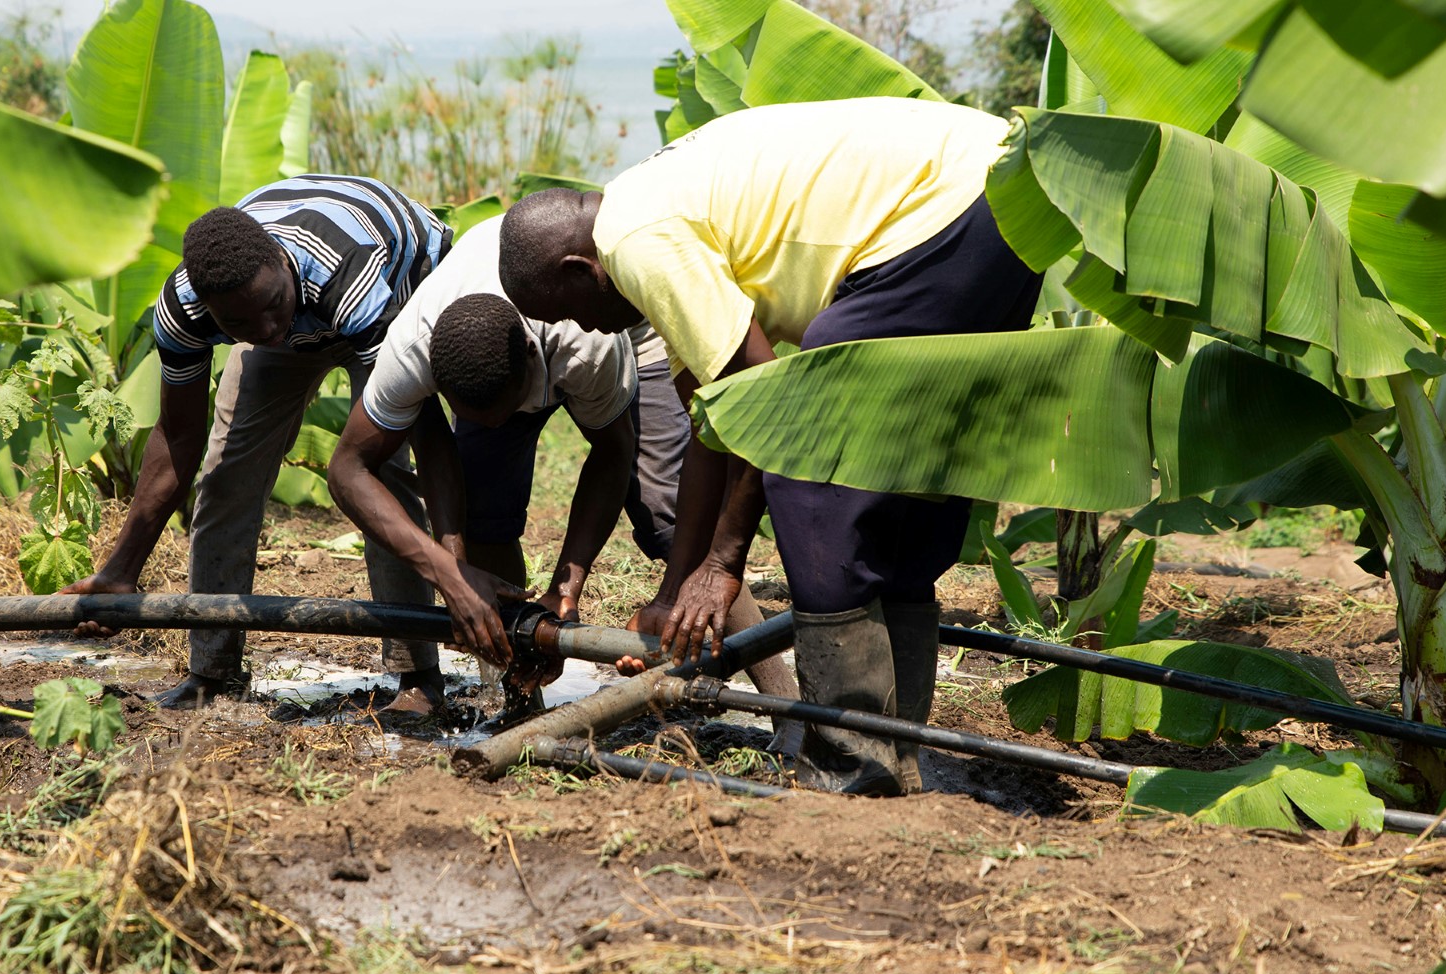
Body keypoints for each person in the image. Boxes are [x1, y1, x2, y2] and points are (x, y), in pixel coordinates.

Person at [498, 97, 1043, 796]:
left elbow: (773, 406)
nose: (593, 330)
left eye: (571, 311)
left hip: (949, 205)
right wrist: (674, 589)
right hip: (999, 190)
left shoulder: (639, 243)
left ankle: (851, 767)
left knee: (810, 477)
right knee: (895, 482)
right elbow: (714, 423)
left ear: (579, 268)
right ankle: (899, 759)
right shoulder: (647, 206)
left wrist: (725, 563)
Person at [327, 214, 803, 727]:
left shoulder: (585, 343)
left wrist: (566, 588)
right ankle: (520, 701)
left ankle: (788, 709)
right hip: (492, 335)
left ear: (532, 365)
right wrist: (451, 571)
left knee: (669, 514)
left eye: (507, 412)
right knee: (484, 512)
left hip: (626, 328)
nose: (501, 425)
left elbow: (613, 453)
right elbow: (347, 470)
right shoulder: (413, 347)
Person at [61, 175, 452, 713]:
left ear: (284, 265)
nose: (265, 330)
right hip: (310, 307)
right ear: (210, 308)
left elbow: (413, 431)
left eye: (270, 306)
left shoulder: (346, 272)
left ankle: (417, 675)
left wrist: (452, 565)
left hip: (400, 289)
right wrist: (121, 567)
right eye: (238, 322)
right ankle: (213, 671)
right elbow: (179, 437)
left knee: (382, 473)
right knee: (225, 477)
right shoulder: (186, 309)